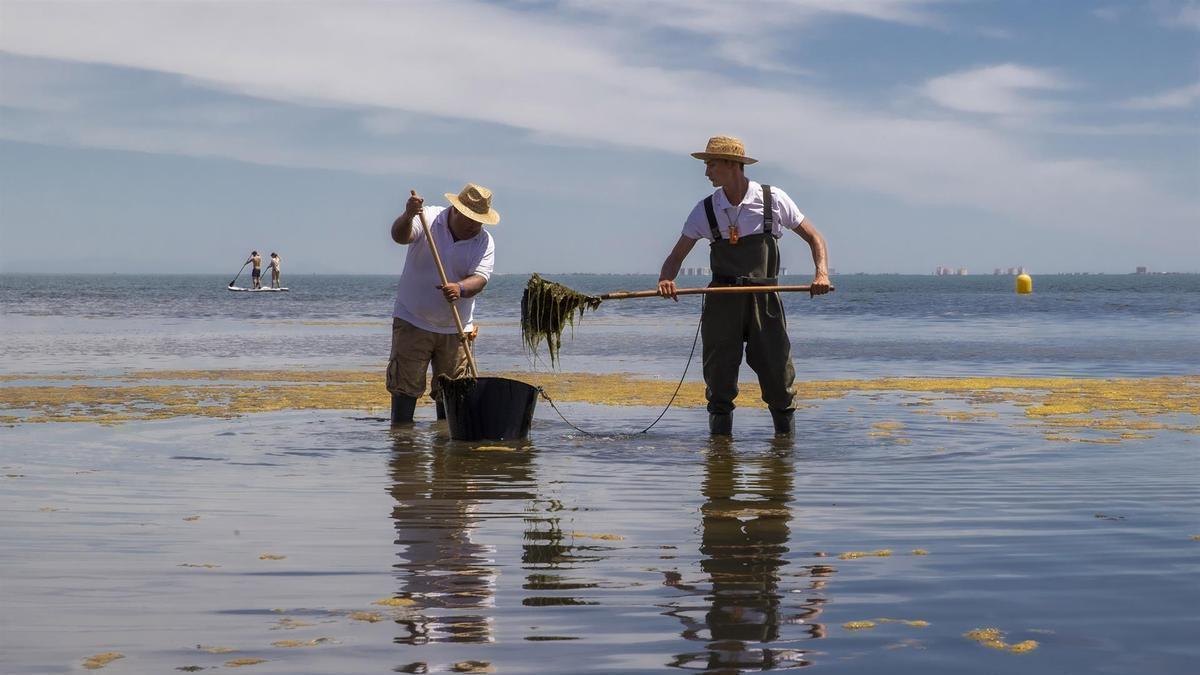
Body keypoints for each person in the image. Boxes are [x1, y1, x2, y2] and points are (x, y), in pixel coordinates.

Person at [657, 136, 830, 436]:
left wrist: (821, 274)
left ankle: (783, 459)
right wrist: (666, 280)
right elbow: (675, 257)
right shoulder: (705, 210)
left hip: (765, 300)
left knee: (778, 376)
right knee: (719, 382)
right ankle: (720, 463)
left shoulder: (772, 199)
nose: (706, 172)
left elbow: (816, 238)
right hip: (722, 303)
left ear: (731, 165)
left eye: (711, 164)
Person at [387, 183, 498, 425]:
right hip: (412, 319)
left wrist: (460, 288)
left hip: (456, 328)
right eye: (469, 219)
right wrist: (407, 215)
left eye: (478, 221)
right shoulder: (428, 218)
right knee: (404, 387)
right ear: (455, 210)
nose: (473, 226)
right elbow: (399, 236)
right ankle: (403, 446)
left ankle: (446, 449)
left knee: (453, 393)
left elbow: (480, 279)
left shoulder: (484, 242)